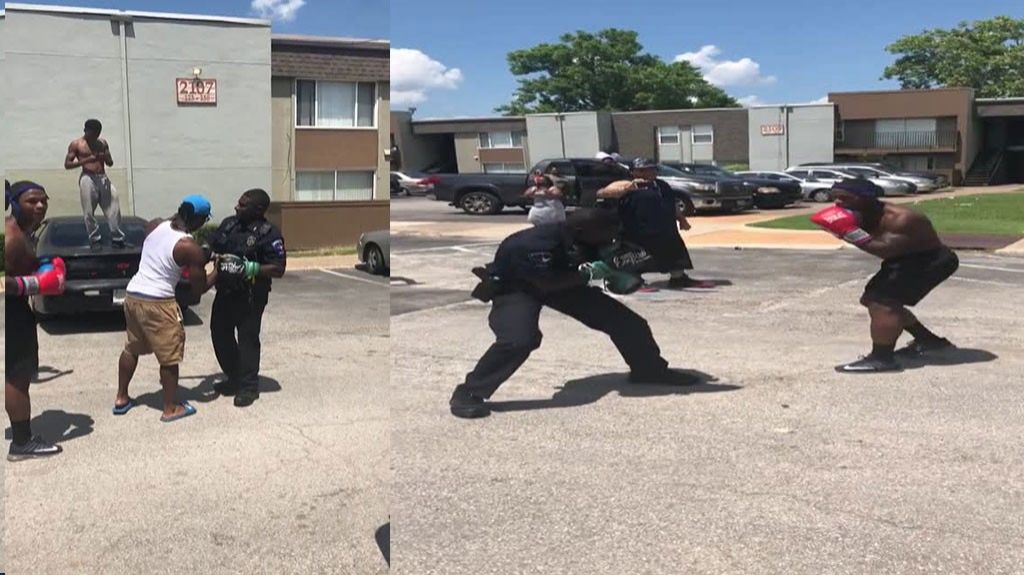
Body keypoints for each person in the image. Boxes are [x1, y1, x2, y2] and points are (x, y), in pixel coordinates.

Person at [449, 208, 701, 419]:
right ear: (582, 231)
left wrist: (618, 276)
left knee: (628, 323)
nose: (613, 236)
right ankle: (469, 392)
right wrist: (592, 273)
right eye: (608, 232)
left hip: (564, 283)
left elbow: (600, 264)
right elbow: (545, 283)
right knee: (519, 339)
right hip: (517, 288)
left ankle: (649, 370)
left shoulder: (590, 236)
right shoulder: (533, 244)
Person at [810, 178, 959, 373]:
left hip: (930, 261)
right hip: (903, 260)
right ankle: (929, 341)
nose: (838, 202)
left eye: (845, 198)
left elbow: (885, 250)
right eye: (835, 197)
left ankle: (882, 358)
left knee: (882, 303)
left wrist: (848, 232)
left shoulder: (901, 218)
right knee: (871, 299)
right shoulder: (859, 214)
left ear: (866, 198)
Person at [115, 195, 216, 421]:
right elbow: (198, 289)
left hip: (134, 295)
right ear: (198, 219)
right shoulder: (189, 246)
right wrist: (217, 270)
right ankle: (170, 408)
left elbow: (165, 239)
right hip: (159, 301)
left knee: (131, 348)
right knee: (169, 357)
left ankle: (121, 397)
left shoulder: (154, 225)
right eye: (204, 219)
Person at [206, 188, 287, 407]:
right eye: (238, 203)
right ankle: (235, 377)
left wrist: (248, 268)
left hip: (251, 295)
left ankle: (249, 387)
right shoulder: (229, 224)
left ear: (258, 209)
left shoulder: (269, 233)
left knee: (247, 340)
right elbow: (211, 245)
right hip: (225, 292)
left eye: (243, 205)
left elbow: (278, 268)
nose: (237, 207)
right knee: (219, 334)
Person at [5, 180, 68, 461]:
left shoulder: (24, 232)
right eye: (32, 201)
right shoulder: (10, 237)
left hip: (16, 310)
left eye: (44, 200)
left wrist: (41, 269)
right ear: (15, 203)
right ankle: (22, 443)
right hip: (11, 312)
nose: (40, 205)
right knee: (17, 377)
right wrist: (35, 283)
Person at [597, 157, 712, 289]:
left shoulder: (661, 185)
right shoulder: (625, 184)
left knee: (674, 251)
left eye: (651, 170)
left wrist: (681, 218)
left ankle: (678, 278)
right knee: (636, 254)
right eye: (642, 170)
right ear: (633, 172)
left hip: (663, 227)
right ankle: (633, 281)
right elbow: (601, 193)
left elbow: (671, 202)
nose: (647, 173)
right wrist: (626, 189)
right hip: (637, 229)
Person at [65, 118, 125, 247]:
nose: (95, 136)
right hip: (88, 177)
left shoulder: (102, 143)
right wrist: (87, 160)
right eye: (93, 133)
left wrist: (105, 157)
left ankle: (117, 238)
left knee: (114, 206)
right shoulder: (77, 144)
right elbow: (67, 164)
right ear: (86, 131)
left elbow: (110, 162)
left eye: (98, 133)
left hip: (102, 177)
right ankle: (95, 239)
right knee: (88, 210)